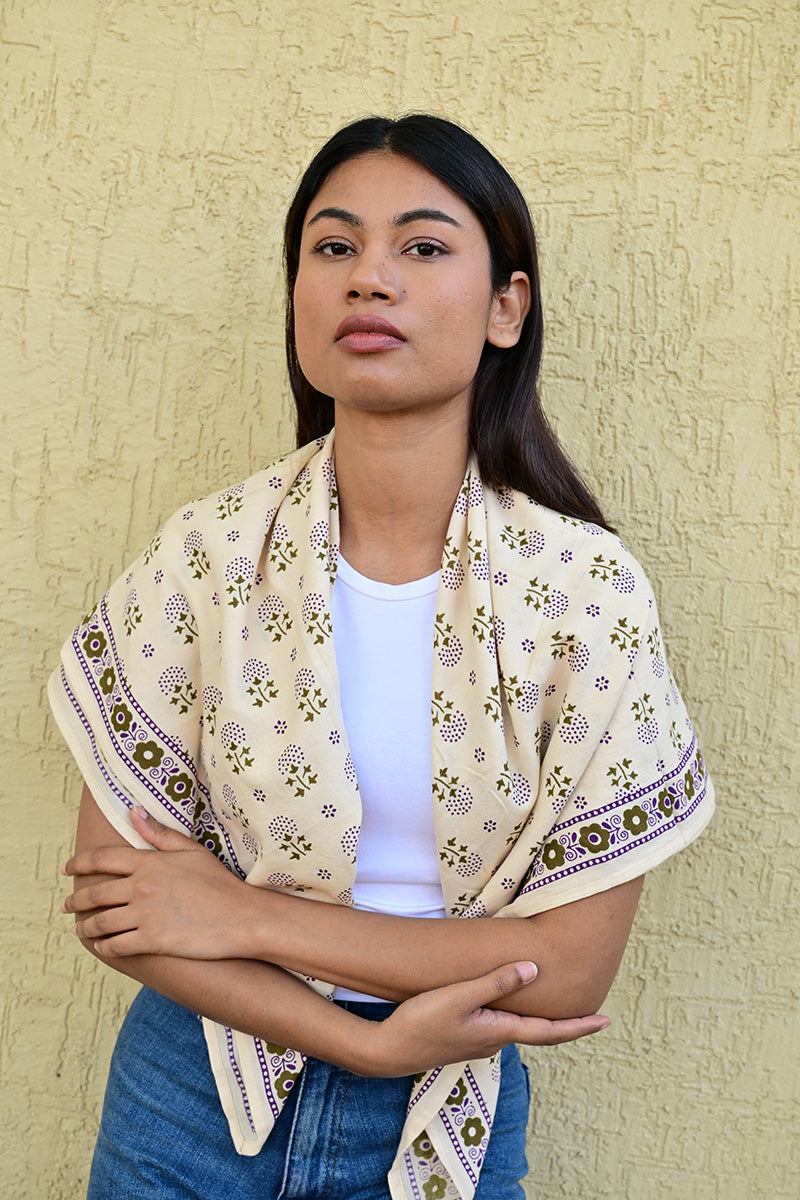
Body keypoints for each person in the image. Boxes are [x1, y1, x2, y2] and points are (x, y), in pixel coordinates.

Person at [50, 114, 714, 1200]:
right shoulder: (204, 557)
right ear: (297, 297)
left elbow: (564, 974)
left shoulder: (586, 591)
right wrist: (358, 1041)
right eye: (333, 246)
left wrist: (242, 915)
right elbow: (124, 909)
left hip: (449, 1106)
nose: (368, 277)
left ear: (506, 307)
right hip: (189, 1098)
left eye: (422, 246)